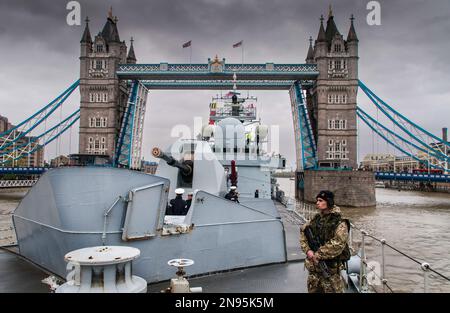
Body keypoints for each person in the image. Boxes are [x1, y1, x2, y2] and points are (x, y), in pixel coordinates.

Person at [299, 190, 351, 293]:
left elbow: (338, 244)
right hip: (314, 271)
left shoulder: (340, 222)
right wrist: (308, 250)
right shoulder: (316, 219)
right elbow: (303, 232)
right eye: (317, 200)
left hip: (330, 270)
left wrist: (317, 255)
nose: (317, 203)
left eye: (320, 200)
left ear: (329, 202)